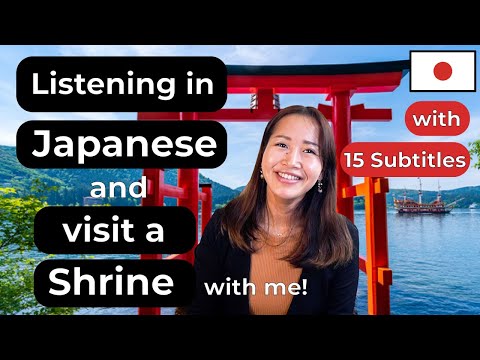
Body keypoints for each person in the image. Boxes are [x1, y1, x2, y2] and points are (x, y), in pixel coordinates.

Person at [187, 105, 359, 315]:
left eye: (309, 150)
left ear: (323, 170)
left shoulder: (343, 235)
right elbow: (200, 309)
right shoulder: (224, 224)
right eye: (281, 144)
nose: (292, 161)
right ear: (262, 156)